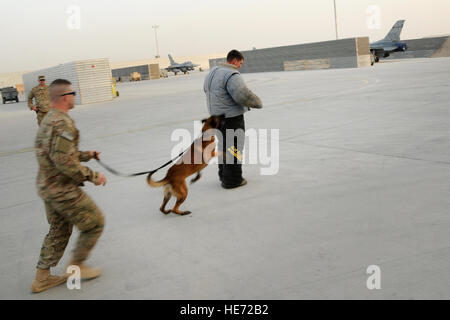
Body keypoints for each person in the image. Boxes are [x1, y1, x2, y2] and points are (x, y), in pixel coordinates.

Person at [31, 79, 107, 293]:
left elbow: (55, 153)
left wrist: (87, 155)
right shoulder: (62, 122)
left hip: (47, 186)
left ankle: (42, 278)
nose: (75, 96)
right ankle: (78, 265)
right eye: (73, 93)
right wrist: (93, 176)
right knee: (95, 223)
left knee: (59, 230)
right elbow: (63, 160)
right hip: (62, 189)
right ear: (65, 97)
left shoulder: (48, 119)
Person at [204, 50, 263, 189]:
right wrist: (257, 103)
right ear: (235, 60)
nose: (240, 66)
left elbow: (207, 92)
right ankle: (233, 180)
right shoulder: (231, 74)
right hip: (231, 118)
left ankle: (223, 175)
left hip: (216, 118)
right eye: (240, 63)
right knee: (234, 148)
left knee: (224, 147)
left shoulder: (212, 73)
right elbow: (242, 95)